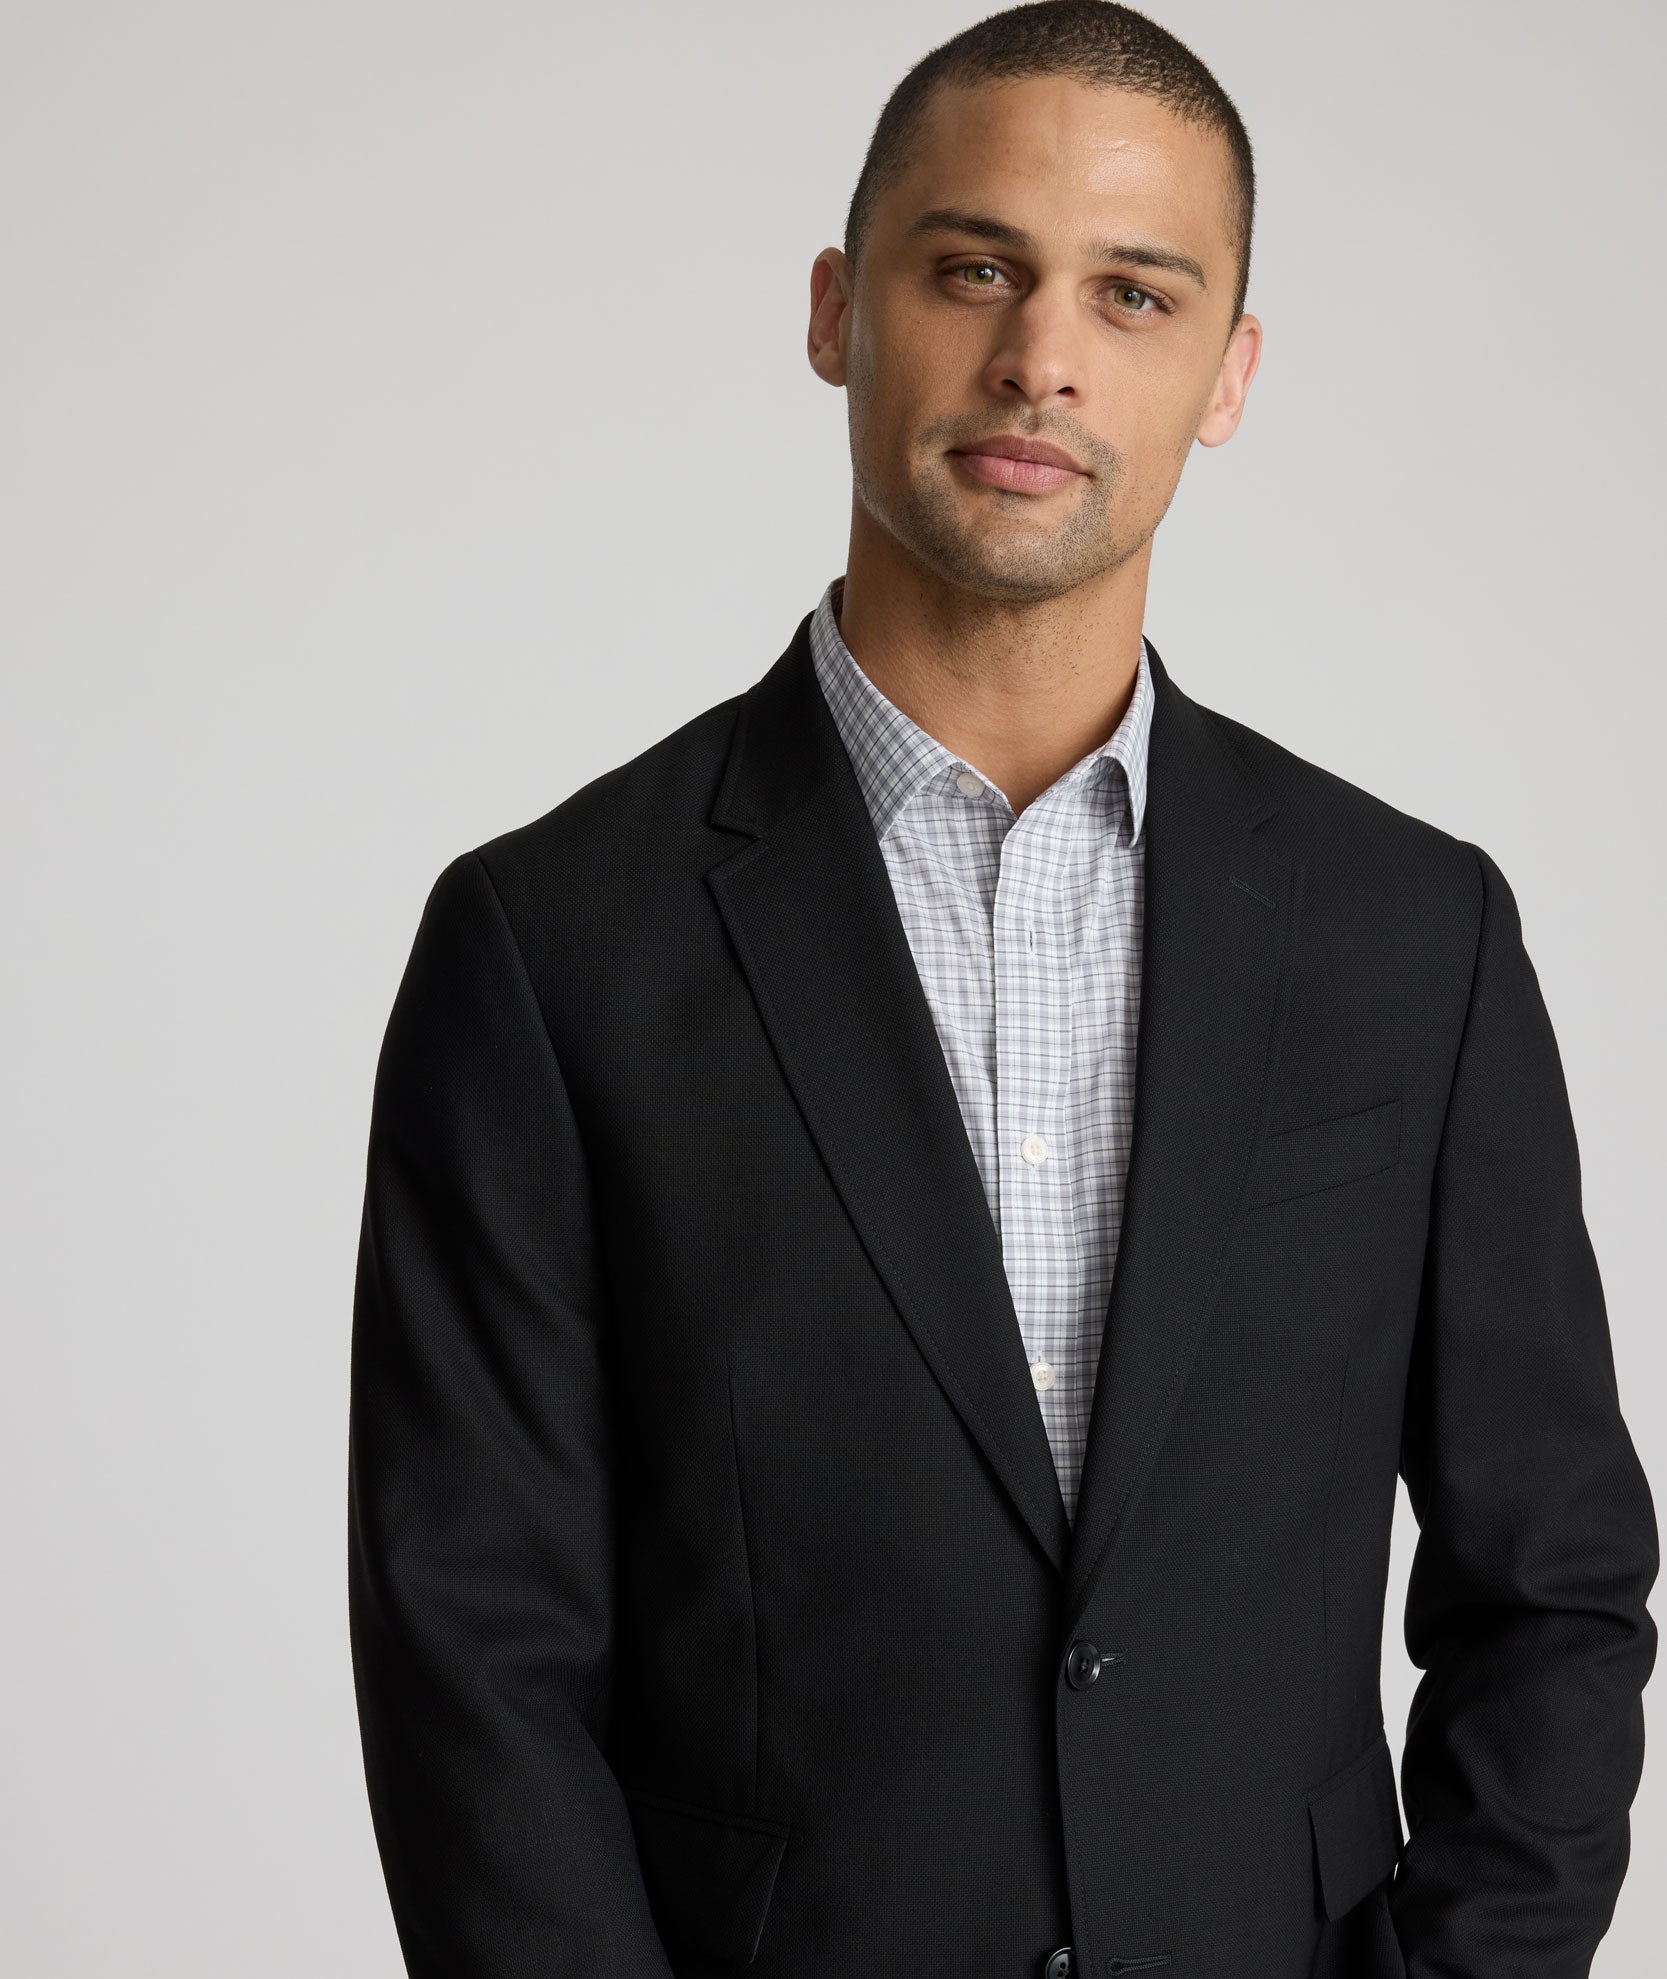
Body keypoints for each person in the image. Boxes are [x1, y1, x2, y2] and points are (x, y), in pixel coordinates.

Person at [346, 5, 1658, 1976]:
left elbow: (1552, 1587)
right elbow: (474, 1661)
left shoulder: (1414, 935)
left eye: (1135, 295)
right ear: (835, 311)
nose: (1042, 355)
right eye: (974, 269)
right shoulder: (552, 948)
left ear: (1228, 374)